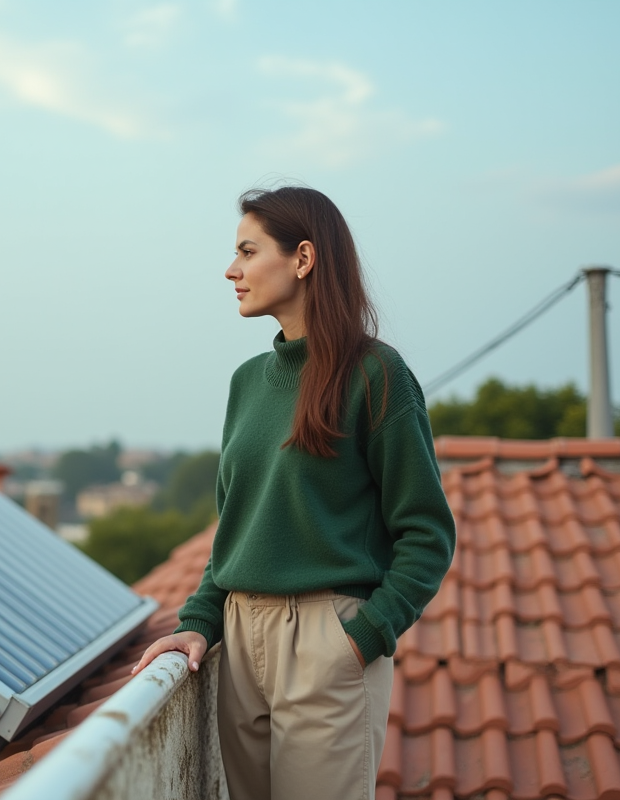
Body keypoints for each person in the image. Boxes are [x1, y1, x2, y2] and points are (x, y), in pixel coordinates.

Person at [132, 186, 455, 800]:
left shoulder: (377, 375)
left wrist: (362, 637)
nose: (232, 270)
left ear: (303, 258)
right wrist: (200, 620)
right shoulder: (246, 383)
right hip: (237, 639)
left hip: (326, 637)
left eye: (248, 252)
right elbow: (235, 525)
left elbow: (427, 533)